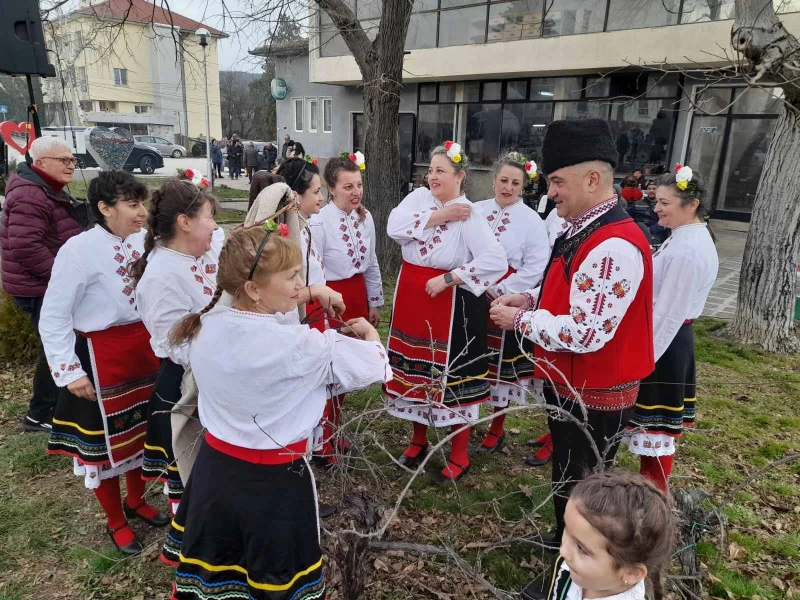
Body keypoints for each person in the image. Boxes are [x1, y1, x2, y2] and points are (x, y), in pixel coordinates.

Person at [160, 227, 390, 600]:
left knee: (220, 576)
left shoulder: (205, 326)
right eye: (292, 277)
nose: (301, 284)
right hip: (275, 485)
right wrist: (369, 335)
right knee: (276, 583)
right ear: (253, 289)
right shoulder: (302, 347)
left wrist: (312, 292)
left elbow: (261, 332)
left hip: (215, 474)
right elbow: (376, 367)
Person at [490, 119, 654, 547]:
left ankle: (581, 560)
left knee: (587, 484)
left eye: (558, 182)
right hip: (576, 383)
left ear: (593, 179)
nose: (551, 193)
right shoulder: (582, 227)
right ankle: (566, 542)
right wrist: (528, 300)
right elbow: (569, 292)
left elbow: (587, 332)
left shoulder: (612, 245)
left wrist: (520, 322)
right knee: (568, 471)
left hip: (594, 390)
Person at [39, 170, 169, 556]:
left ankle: (135, 499)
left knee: (140, 434)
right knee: (106, 444)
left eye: (142, 203)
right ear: (104, 207)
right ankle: (115, 518)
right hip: (100, 357)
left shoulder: (141, 243)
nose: (142, 212)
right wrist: (68, 371)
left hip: (143, 350)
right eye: (133, 205)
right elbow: (55, 315)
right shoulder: (78, 250)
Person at [385, 142, 507, 482]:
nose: (432, 176)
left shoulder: (469, 212)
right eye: (431, 170)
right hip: (412, 295)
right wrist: (440, 215)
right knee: (414, 374)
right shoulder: (418, 199)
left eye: (440, 170)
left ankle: (459, 454)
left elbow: (495, 260)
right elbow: (393, 227)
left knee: (450, 380)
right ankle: (418, 440)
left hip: (449, 304)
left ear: (460, 176)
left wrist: (452, 277)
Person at [129, 177, 223, 515]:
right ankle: (194, 544)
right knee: (190, 468)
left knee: (215, 470)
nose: (215, 225)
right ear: (184, 222)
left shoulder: (200, 255)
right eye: (209, 217)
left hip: (214, 374)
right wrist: (229, 348)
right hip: (186, 384)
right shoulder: (161, 276)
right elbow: (177, 344)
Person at [625, 167, 718, 493]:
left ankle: (654, 499)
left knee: (656, 429)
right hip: (665, 340)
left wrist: (641, 360)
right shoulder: (682, 239)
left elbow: (667, 315)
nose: (656, 209)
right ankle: (651, 496)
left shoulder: (688, 251)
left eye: (664, 202)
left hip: (664, 345)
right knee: (652, 429)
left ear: (690, 204)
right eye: (657, 201)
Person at [0, 136, 86, 433]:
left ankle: (51, 407)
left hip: (45, 283)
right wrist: (66, 278)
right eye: (64, 160)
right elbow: (25, 248)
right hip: (38, 287)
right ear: (41, 163)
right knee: (58, 346)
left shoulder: (45, 188)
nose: (71, 165)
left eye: (72, 160)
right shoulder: (30, 194)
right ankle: (43, 413)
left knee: (58, 345)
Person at [310, 154, 384, 466]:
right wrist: (324, 308)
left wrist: (374, 300)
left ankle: (333, 429)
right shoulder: (319, 221)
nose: (356, 192)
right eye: (348, 186)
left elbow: (372, 262)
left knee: (346, 369)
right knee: (327, 371)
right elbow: (314, 269)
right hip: (330, 297)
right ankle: (321, 443)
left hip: (355, 296)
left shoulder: (364, 219)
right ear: (331, 190)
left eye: (359, 185)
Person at [473, 152, 549, 455]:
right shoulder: (476, 210)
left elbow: (535, 266)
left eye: (515, 183)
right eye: (503, 180)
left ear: (523, 186)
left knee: (500, 366)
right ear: (493, 180)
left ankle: (497, 427)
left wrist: (503, 290)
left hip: (506, 297)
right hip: (473, 290)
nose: (508, 187)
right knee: (475, 357)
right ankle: (469, 412)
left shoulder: (531, 221)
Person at [522, 470, 676, 600]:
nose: (564, 551)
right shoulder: (567, 569)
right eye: (566, 530)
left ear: (631, 572)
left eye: (581, 548)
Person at [277, 157, 326, 326]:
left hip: (314, 308)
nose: (322, 197)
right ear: (296, 196)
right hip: (299, 310)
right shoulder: (286, 236)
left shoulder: (305, 226)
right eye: (316, 191)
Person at [628, 181, 669, 246]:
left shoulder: (664, 204)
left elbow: (666, 221)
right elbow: (626, 215)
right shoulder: (638, 203)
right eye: (649, 189)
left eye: (654, 189)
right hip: (638, 232)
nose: (651, 191)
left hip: (655, 235)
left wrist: (649, 230)